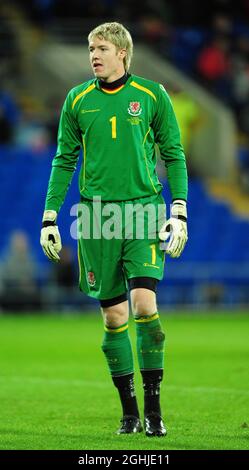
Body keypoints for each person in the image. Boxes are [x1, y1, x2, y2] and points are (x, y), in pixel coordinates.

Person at [40, 22, 188, 437]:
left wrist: (179, 209)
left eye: (101, 48)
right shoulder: (77, 100)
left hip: (143, 212)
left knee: (144, 305)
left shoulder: (152, 95)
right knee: (113, 316)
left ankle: (155, 412)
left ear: (122, 52)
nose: (93, 55)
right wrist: (50, 216)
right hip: (95, 217)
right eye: (90, 48)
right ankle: (129, 413)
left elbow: (174, 154)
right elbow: (63, 160)